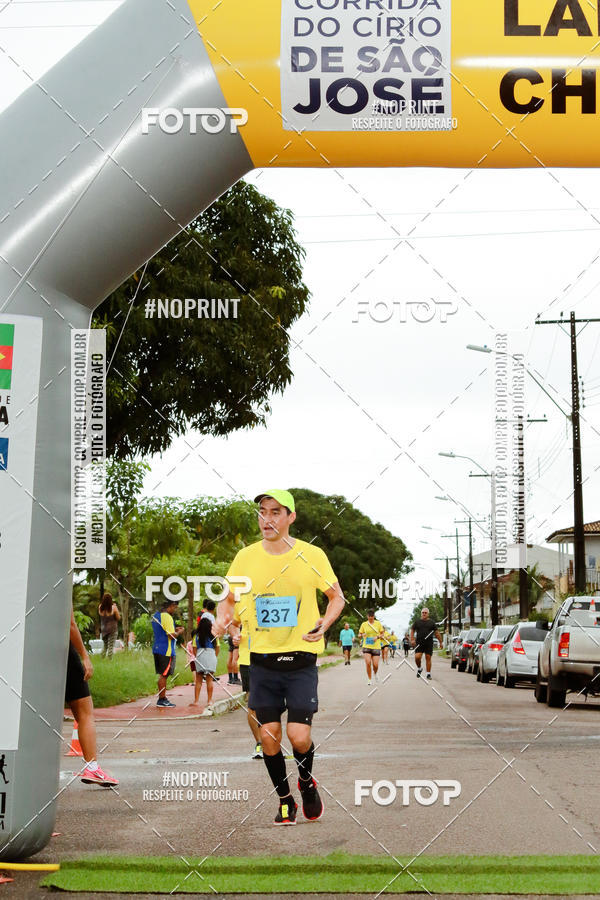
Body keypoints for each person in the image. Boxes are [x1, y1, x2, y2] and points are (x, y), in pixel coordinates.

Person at [214, 489, 345, 825]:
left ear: (291, 518)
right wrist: (221, 618)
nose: (267, 519)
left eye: (275, 512)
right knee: (269, 736)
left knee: (298, 736)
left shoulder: (311, 555)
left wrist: (324, 623)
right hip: (261, 660)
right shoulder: (245, 557)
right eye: (262, 512)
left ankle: (305, 781)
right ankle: (285, 799)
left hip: (300, 658)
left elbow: (336, 598)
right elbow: (228, 600)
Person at [65, 606, 118, 786]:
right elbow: (70, 623)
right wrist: (85, 657)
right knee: (85, 713)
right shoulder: (60, 581)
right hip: (62, 652)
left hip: (32, 653)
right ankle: (92, 767)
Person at [231, 613, 263, 759]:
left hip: (272, 657)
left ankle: (272, 740)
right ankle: (260, 743)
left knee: (272, 702)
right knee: (252, 702)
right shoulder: (243, 597)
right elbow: (232, 623)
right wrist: (235, 635)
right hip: (247, 660)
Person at [151, 598, 184, 707]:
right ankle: (162, 699)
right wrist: (178, 632)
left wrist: (174, 628)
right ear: (172, 604)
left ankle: (162, 697)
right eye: (175, 607)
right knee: (164, 675)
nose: (174, 610)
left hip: (157, 648)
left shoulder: (156, 615)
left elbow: (163, 630)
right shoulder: (167, 617)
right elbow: (170, 635)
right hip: (166, 650)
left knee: (162, 674)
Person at [190, 602, 218, 715]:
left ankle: (196, 701)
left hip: (200, 656)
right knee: (209, 680)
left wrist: (197, 657)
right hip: (211, 656)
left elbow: (194, 648)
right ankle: (209, 700)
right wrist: (214, 657)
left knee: (198, 680)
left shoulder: (196, 636)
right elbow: (217, 648)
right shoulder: (213, 636)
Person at [410, 607, 443, 680]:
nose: (424, 614)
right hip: (419, 642)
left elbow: (437, 633)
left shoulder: (432, 622)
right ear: (421, 613)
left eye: (425, 613)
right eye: (423, 612)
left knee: (428, 658)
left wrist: (441, 642)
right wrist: (412, 639)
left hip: (429, 643)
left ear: (428, 614)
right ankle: (419, 668)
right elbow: (412, 630)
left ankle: (428, 674)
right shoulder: (417, 622)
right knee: (417, 657)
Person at [359, 609, 385, 685]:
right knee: (368, 663)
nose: (370, 618)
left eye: (372, 616)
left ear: (374, 616)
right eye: (369, 616)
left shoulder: (378, 624)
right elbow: (359, 634)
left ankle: (375, 673)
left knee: (375, 665)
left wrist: (377, 637)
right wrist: (362, 635)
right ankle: (369, 679)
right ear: (367, 616)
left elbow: (382, 634)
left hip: (376, 647)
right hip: (366, 646)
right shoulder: (364, 624)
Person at [98, 592, 120, 658]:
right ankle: (109, 659)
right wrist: (115, 607)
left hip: (104, 629)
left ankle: (102, 658)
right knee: (111, 646)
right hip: (112, 629)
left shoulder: (100, 607)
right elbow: (118, 617)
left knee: (105, 646)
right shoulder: (113, 608)